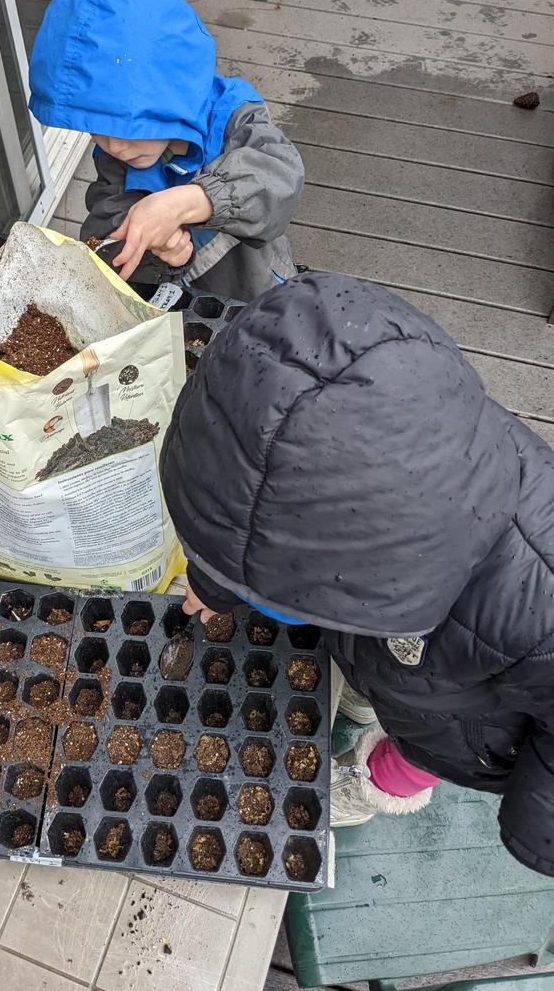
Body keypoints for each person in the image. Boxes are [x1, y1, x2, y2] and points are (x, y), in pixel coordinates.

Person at [159, 270, 554, 877]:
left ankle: (376, 787)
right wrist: (216, 580)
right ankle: (372, 699)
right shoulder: (393, 478)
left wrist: (537, 823)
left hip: (466, 729)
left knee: (413, 752)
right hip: (398, 656)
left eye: (283, 592)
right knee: (384, 674)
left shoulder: (538, 605)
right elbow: (249, 516)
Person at [28, 0, 304, 301]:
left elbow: (280, 177)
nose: (114, 144)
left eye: (129, 128)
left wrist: (186, 203)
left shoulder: (232, 116)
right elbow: (105, 232)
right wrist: (163, 253)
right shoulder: (119, 159)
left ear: (170, 94)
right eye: (97, 129)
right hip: (183, 304)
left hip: (260, 292)